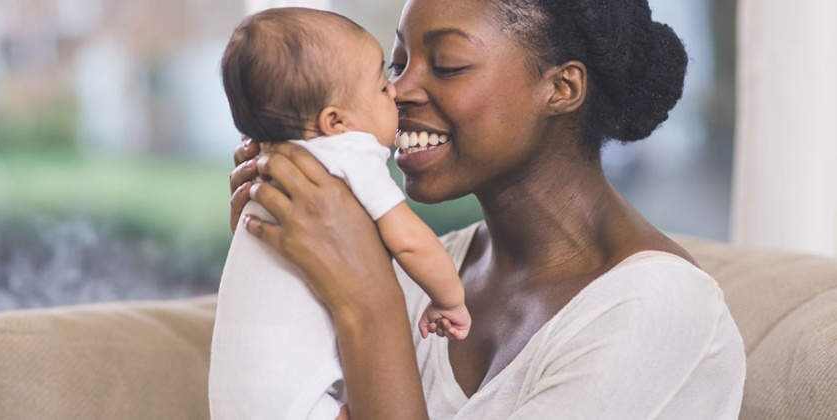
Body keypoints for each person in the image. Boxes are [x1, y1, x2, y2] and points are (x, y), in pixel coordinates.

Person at [227, 0, 747, 419]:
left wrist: (368, 304)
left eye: (447, 65)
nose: (398, 91)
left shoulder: (656, 309)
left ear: (562, 88)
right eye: (397, 65)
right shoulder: (419, 269)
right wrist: (277, 258)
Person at [209, 7, 472, 420]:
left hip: (237, 398)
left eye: (447, 65)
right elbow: (410, 241)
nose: (396, 91)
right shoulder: (348, 153)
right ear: (335, 121)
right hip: (300, 397)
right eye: (384, 83)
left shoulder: (276, 164)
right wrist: (450, 300)